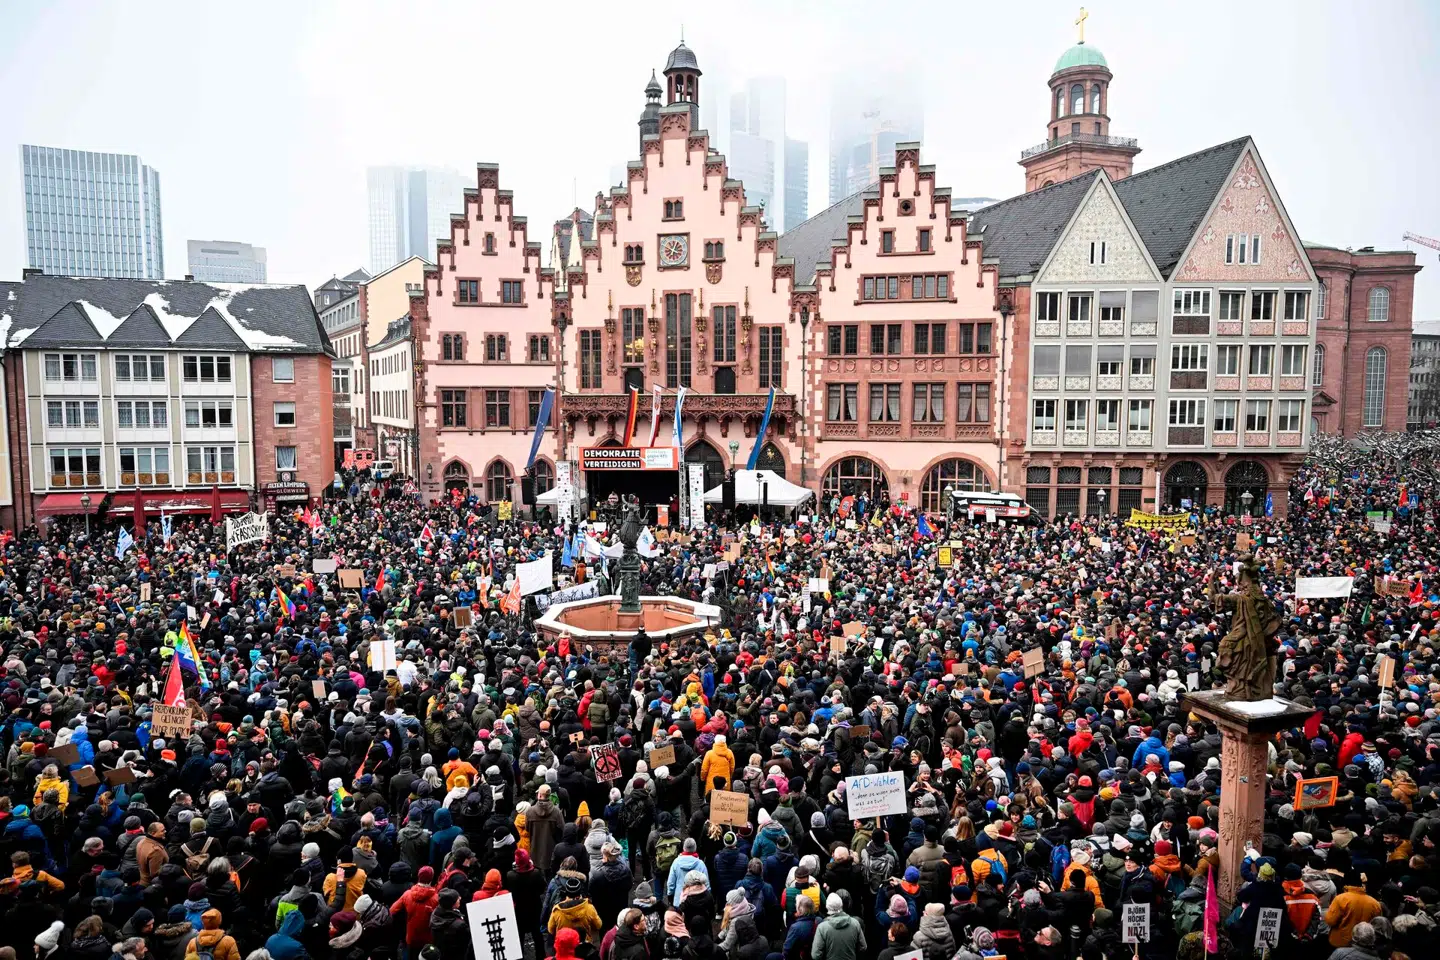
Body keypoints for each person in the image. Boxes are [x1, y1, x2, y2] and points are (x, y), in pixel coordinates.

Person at [812, 893, 866, 960]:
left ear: (827, 907)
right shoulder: (855, 923)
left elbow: (815, 955)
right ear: (841, 905)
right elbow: (863, 947)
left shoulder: (822, 927)